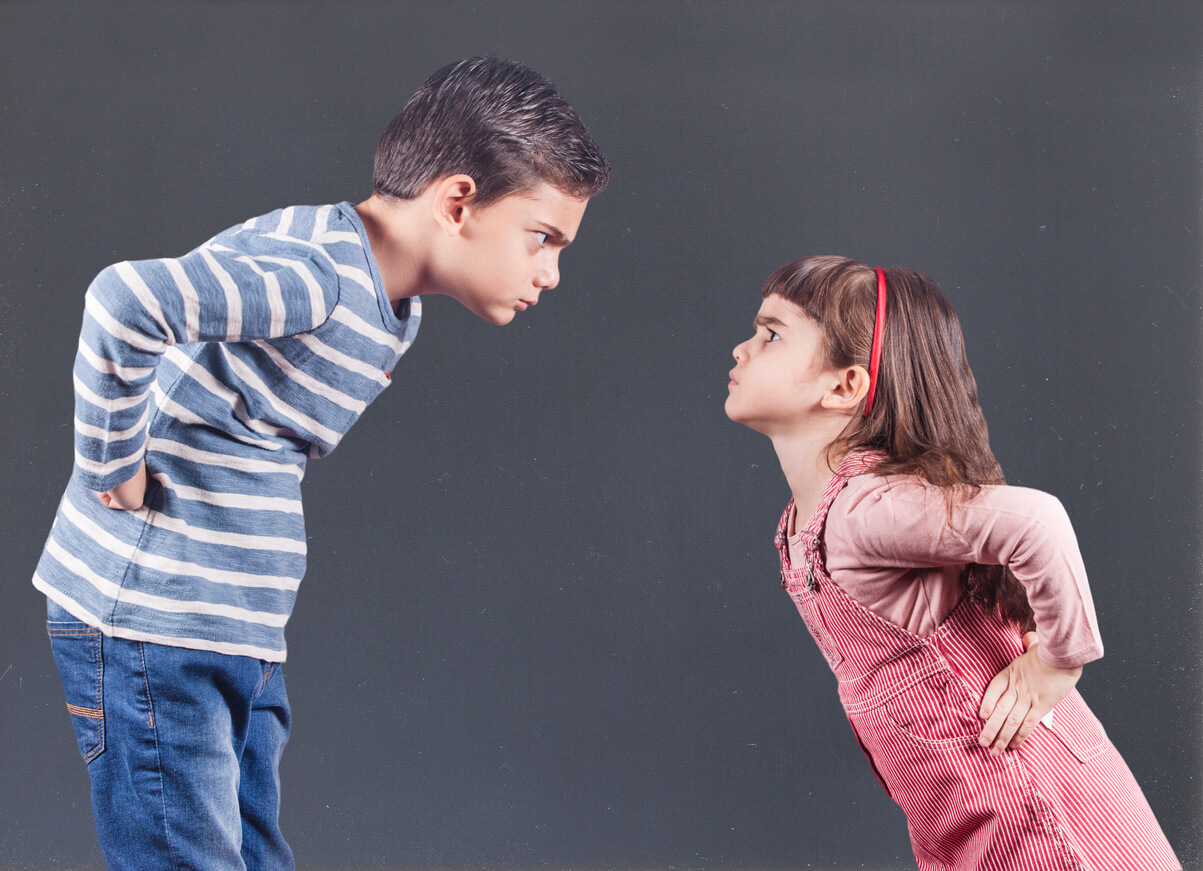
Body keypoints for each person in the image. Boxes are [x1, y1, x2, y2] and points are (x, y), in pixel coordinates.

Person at [34, 55, 609, 870]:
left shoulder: (384, 295)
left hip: (230, 629)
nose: (549, 272)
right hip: (155, 623)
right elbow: (125, 301)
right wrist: (111, 463)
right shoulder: (322, 277)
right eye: (542, 238)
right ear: (457, 202)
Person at [724, 256, 1180, 871]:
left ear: (844, 386)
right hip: (976, 821)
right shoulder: (813, 516)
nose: (742, 349)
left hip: (1040, 825)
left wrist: (1057, 662)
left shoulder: (864, 509)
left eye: (771, 335)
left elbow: (1036, 520)